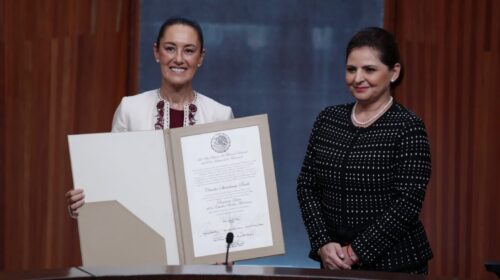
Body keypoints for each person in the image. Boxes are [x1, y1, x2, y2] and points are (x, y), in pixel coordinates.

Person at [297, 27, 433, 274]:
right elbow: (307, 186)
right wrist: (322, 243)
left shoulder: (408, 126)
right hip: (333, 264)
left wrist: (355, 251)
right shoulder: (328, 119)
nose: (358, 78)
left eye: (369, 69)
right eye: (351, 69)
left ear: (394, 72)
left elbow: (408, 202)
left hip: (396, 267)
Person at [66, 17, 234, 217]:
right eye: (170, 48)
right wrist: (84, 204)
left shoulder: (220, 115)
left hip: (202, 234)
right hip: (142, 230)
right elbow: (111, 177)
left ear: (200, 57)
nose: (179, 58)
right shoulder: (130, 109)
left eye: (189, 50)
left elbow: (228, 191)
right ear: (157, 52)